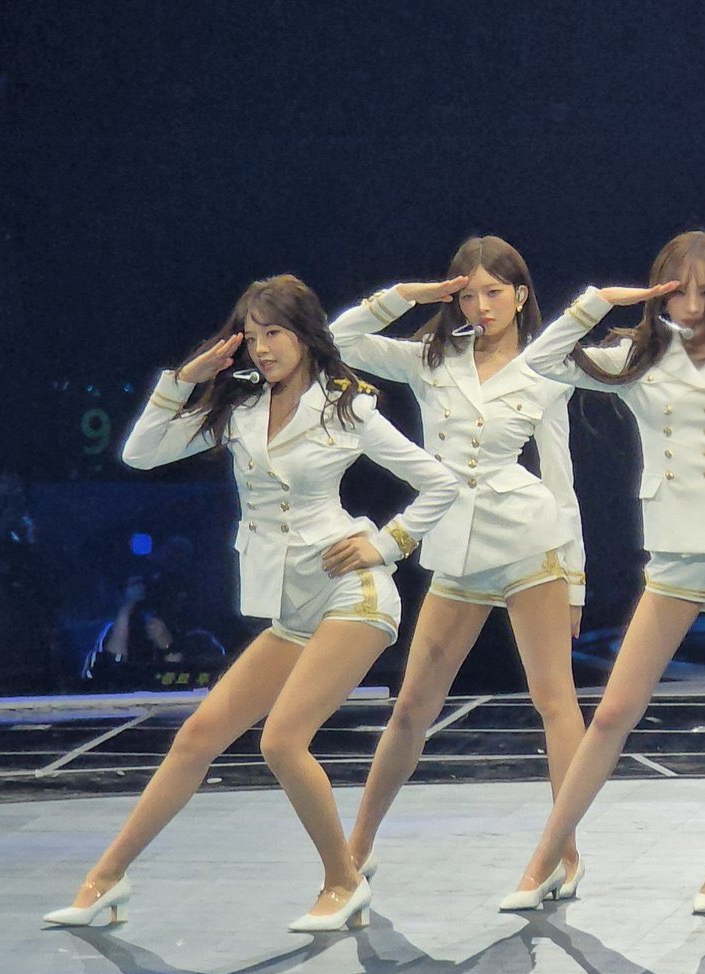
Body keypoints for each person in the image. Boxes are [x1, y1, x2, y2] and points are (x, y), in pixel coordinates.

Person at [44, 274, 457, 932]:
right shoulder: (238, 408)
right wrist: (183, 380)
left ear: (306, 334)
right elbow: (140, 453)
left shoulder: (345, 406)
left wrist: (385, 544)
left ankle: (342, 881)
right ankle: (105, 878)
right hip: (292, 609)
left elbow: (440, 483)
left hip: (352, 594)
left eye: (275, 333)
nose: (262, 347)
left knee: (282, 740)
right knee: (198, 737)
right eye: (253, 335)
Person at [500, 230, 705, 914]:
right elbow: (539, 360)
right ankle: (546, 857)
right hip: (674, 551)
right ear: (660, 291)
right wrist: (600, 301)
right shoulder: (636, 359)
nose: (692, 304)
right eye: (679, 290)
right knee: (613, 710)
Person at [328, 236, 591, 897]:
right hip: (456, 547)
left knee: (554, 701)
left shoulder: (546, 366)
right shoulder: (433, 357)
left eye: (493, 292)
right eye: (468, 295)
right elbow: (340, 341)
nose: (481, 306)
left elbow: (561, 478)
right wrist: (407, 296)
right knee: (412, 706)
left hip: (530, 541)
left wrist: (577, 579)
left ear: (521, 295)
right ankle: (357, 847)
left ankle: (563, 855)